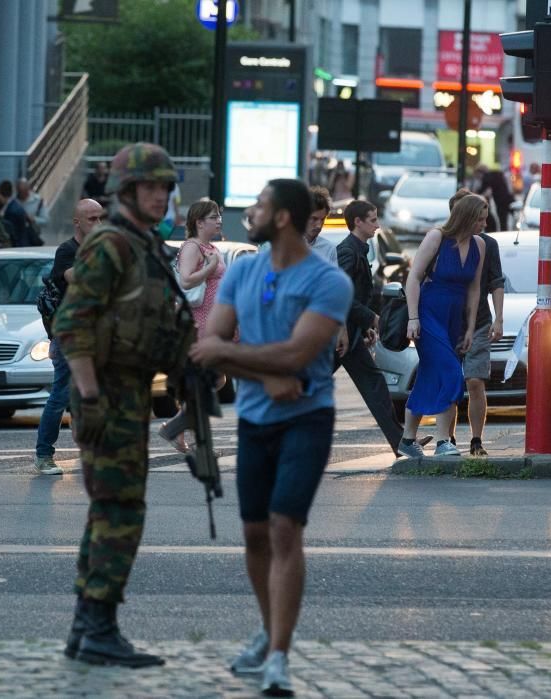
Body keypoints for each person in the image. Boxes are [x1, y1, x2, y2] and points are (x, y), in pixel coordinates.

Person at [189, 178, 352, 696]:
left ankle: (278, 655)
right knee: (255, 534)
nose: (249, 213)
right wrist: (265, 373)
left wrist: (249, 362)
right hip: (256, 419)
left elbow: (295, 358)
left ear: (281, 217)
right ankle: (269, 628)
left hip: (309, 418)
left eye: (259, 205)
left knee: (285, 528)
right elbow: (210, 342)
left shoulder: (329, 280)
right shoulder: (243, 269)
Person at [54, 143, 195, 668]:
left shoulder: (144, 245)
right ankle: (99, 629)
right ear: (128, 191)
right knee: (120, 512)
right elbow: (72, 326)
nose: (161, 195)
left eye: (165, 187)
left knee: (110, 510)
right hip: (108, 394)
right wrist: (90, 398)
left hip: (131, 392)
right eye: (150, 187)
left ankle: (87, 627)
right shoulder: (110, 244)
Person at [398, 193, 486, 458]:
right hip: (429, 311)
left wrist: (470, 327)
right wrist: (413, 318)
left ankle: (407, 439)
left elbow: (474, 288)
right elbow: (413, 278)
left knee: (428, 375)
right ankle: (442, 441)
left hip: (454, 317)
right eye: (479, 219)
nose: (483, 224)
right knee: (450, 372)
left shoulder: (479, 245)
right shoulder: (437, 237)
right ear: (467, 217)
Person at [34, 198, 105, 476]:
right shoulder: (68, 250)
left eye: (101, 218)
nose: (98, 224)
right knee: (61, 394)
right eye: (92, 219)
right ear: (77, 222)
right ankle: (43, 455)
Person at [335, 200, 405, 456]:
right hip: (338, 334)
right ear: (358, 222)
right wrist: (372, 319)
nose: (377, 225)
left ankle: (401, 444)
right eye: (373, 220)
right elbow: (341, 295)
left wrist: (365, 326)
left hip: (351, 335)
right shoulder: (347, 251)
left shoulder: (359, 250)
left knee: (374, 384)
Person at [158, 198, 226, 453]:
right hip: (199, 323)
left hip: (213, 322)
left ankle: (176, 429)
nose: (219, 220)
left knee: (215, 379)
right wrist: (209, 269)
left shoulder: (209, 246)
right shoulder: (192, 247)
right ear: (199, 222)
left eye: (219, 215)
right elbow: (186, 282)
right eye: (213, 216)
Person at [446, 189, 505, 456]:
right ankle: (446, 438)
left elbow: (495, 281)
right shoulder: (442, 242)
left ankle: (476, 439)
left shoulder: (486, 245)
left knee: (474, 381)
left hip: (479, 320)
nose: (482, 223)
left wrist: (499, 317)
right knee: (448, 381)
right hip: (448, 322)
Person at [0, 179, 39, 247]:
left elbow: (12, 231)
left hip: (19, 245)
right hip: (23, 243)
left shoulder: (11, 210)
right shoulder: (15, 205)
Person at [474, 164, 514, 232]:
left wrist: (474, 193)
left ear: (480, 172)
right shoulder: (496, 174)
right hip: (507, 200)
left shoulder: (487, 177)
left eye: (477, 175)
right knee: (504, 221)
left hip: (500, 201)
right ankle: (504, 233)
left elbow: (482, 190)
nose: (478, 177)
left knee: (502, 221)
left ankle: (503, 233)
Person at [305, 185, 337, 265]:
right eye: (314, 219)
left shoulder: (329, 249)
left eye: (322, 219)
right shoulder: (285, 246)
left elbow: (333, 277)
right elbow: (270, 274)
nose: (319, 225)